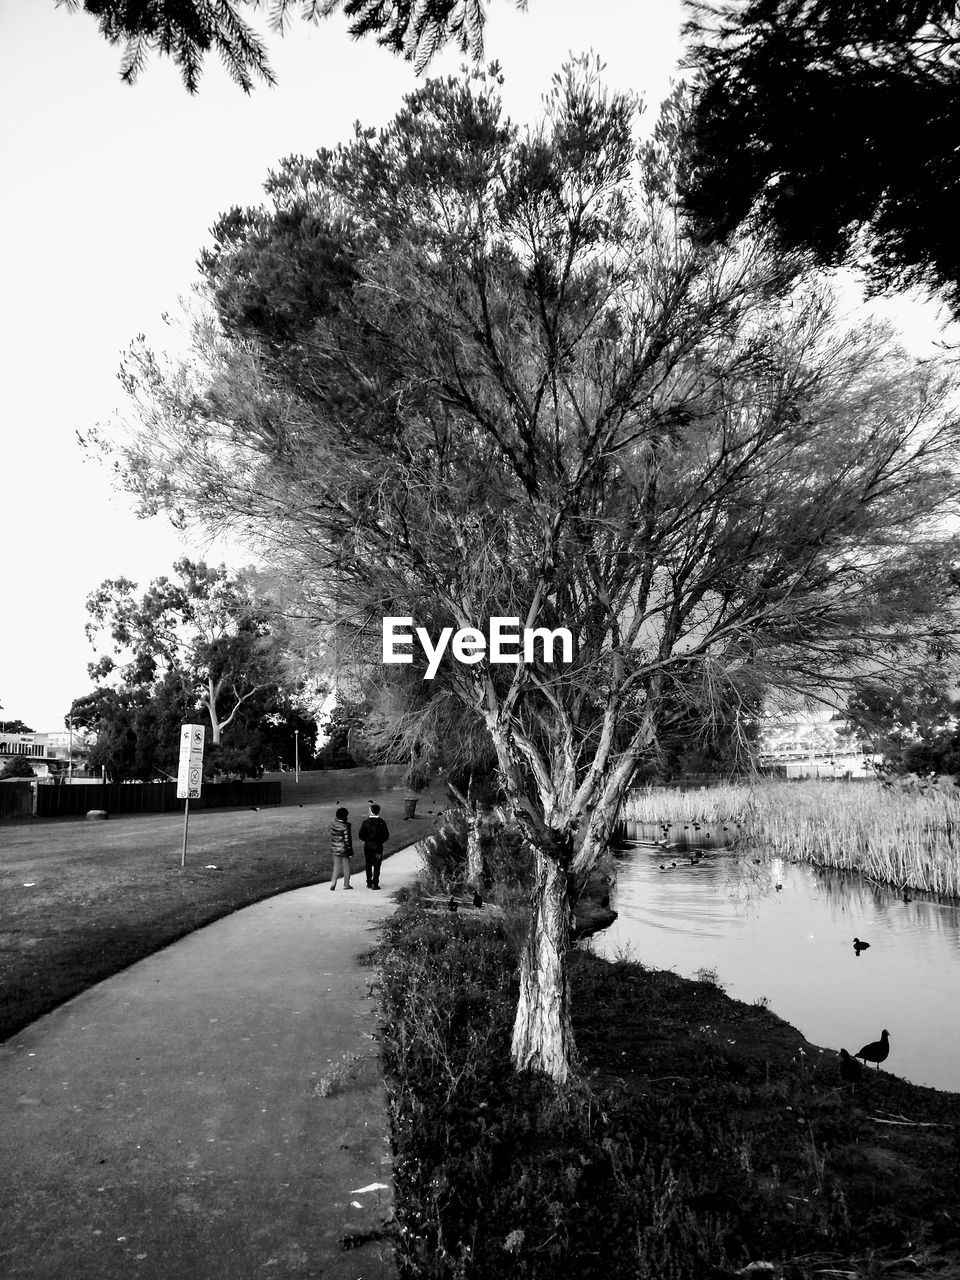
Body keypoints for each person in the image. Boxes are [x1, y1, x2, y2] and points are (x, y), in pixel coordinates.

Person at [357, 801, 390, 889]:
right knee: (377, 864)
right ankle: (375, 883)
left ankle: (369, 882)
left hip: (368, 846)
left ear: (371, 811)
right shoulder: (382, 822)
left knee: (368, 864)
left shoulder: (365, 822)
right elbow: (386, 835)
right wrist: (380, 841)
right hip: (378, 846)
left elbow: (361, 835)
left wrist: (366, 840)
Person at [329, 806, 354, 890]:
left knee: (336, 866)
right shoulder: (345, 826)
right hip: (344, 849)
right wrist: (350, 851)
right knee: (346, 866)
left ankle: (333, 883)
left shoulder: (333, 823)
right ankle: (346, 884)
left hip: (335, 848)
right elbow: (347, 840)